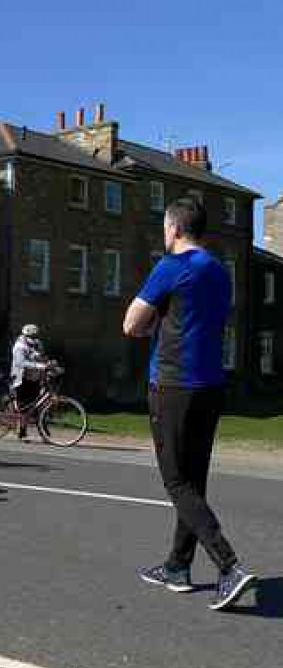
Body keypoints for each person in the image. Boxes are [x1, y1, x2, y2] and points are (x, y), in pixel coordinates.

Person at [123, 195, 256, 611]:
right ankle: (178, 567)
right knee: (193, 481)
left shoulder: (172, 267)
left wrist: (152, 325)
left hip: (173, 385)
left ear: (175, 229)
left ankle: (228, 564)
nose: (164, 234)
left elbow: (131, 323)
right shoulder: (219, 271)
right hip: (211, 385)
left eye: (165, 227)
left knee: (176, 481)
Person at [10, 324, 50, 440]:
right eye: (32, 336)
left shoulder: (38, 344)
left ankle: (42, 431)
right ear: (25, 335)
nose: (34, 338)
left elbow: (42, 357)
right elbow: (21, 363)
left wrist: (50, 365)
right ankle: (21, 432)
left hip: (34, 378)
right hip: (21, 379)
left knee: (35, 405)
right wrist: (40, 366)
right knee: (24, 407)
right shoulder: (19, 346)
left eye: (35, 336)